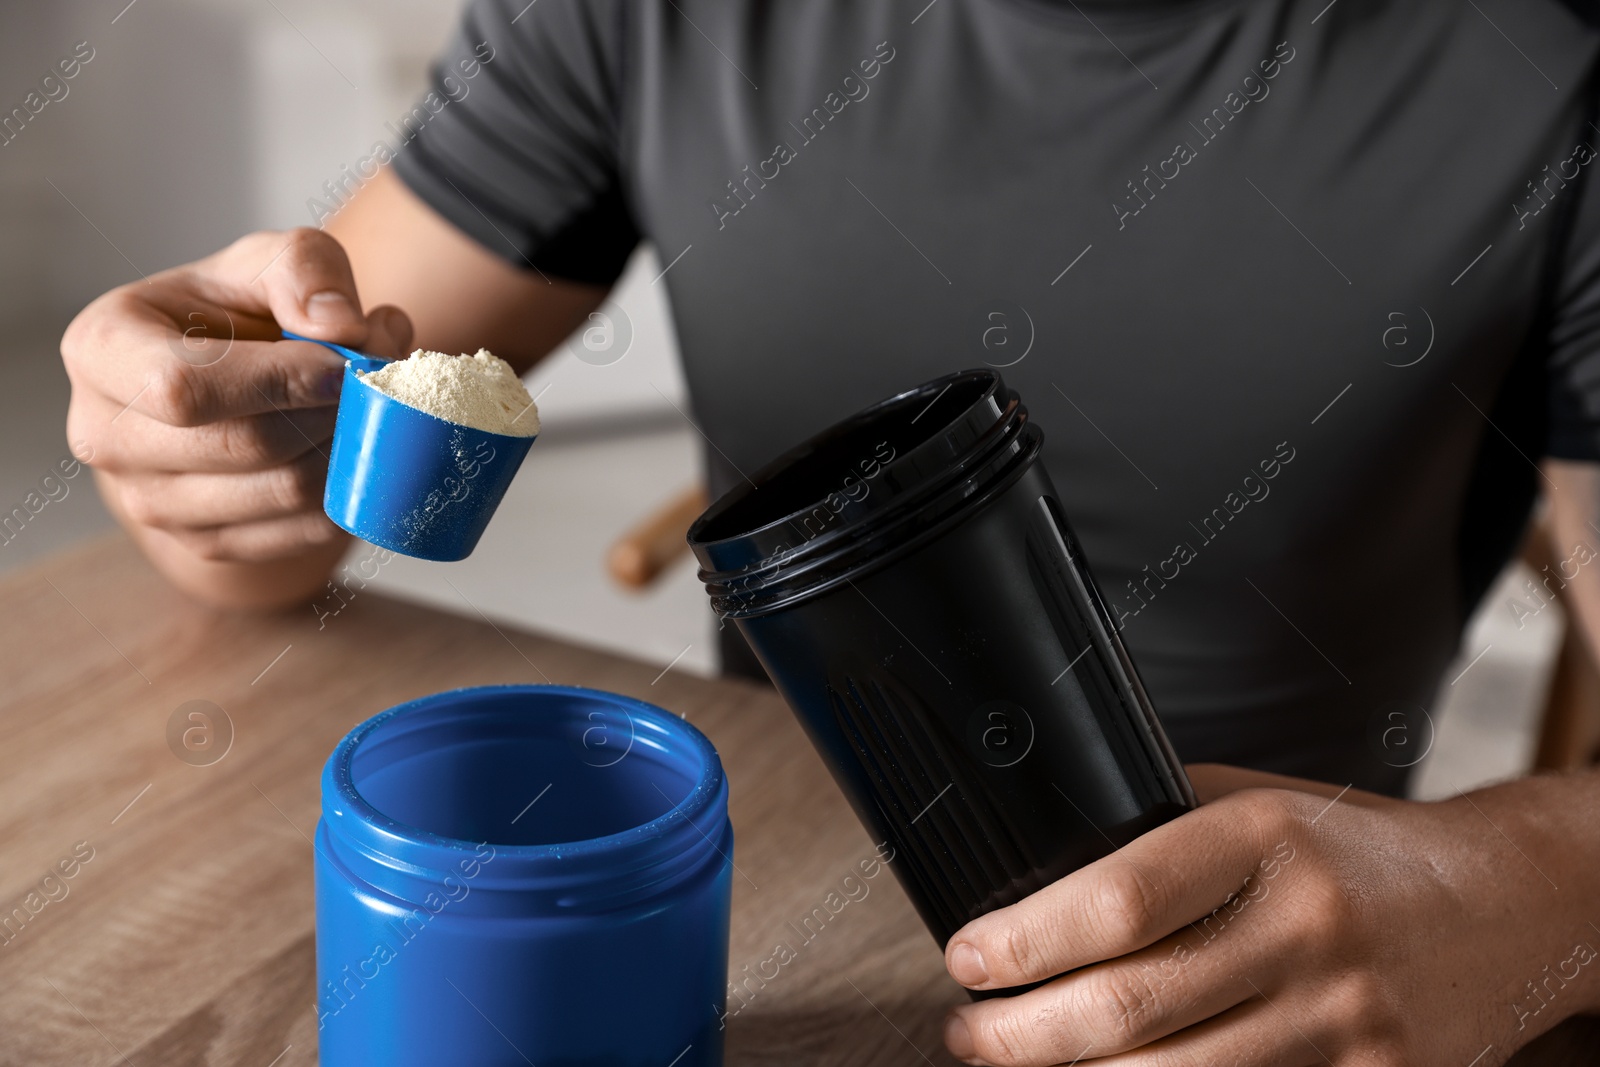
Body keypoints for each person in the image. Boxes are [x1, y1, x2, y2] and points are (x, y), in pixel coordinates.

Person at [60, 0, 1600, 1061]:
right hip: (778, 943)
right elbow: (280, 503)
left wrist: (1529, 891)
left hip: (1265, 1008)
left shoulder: (1550, 65)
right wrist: (196, 430)